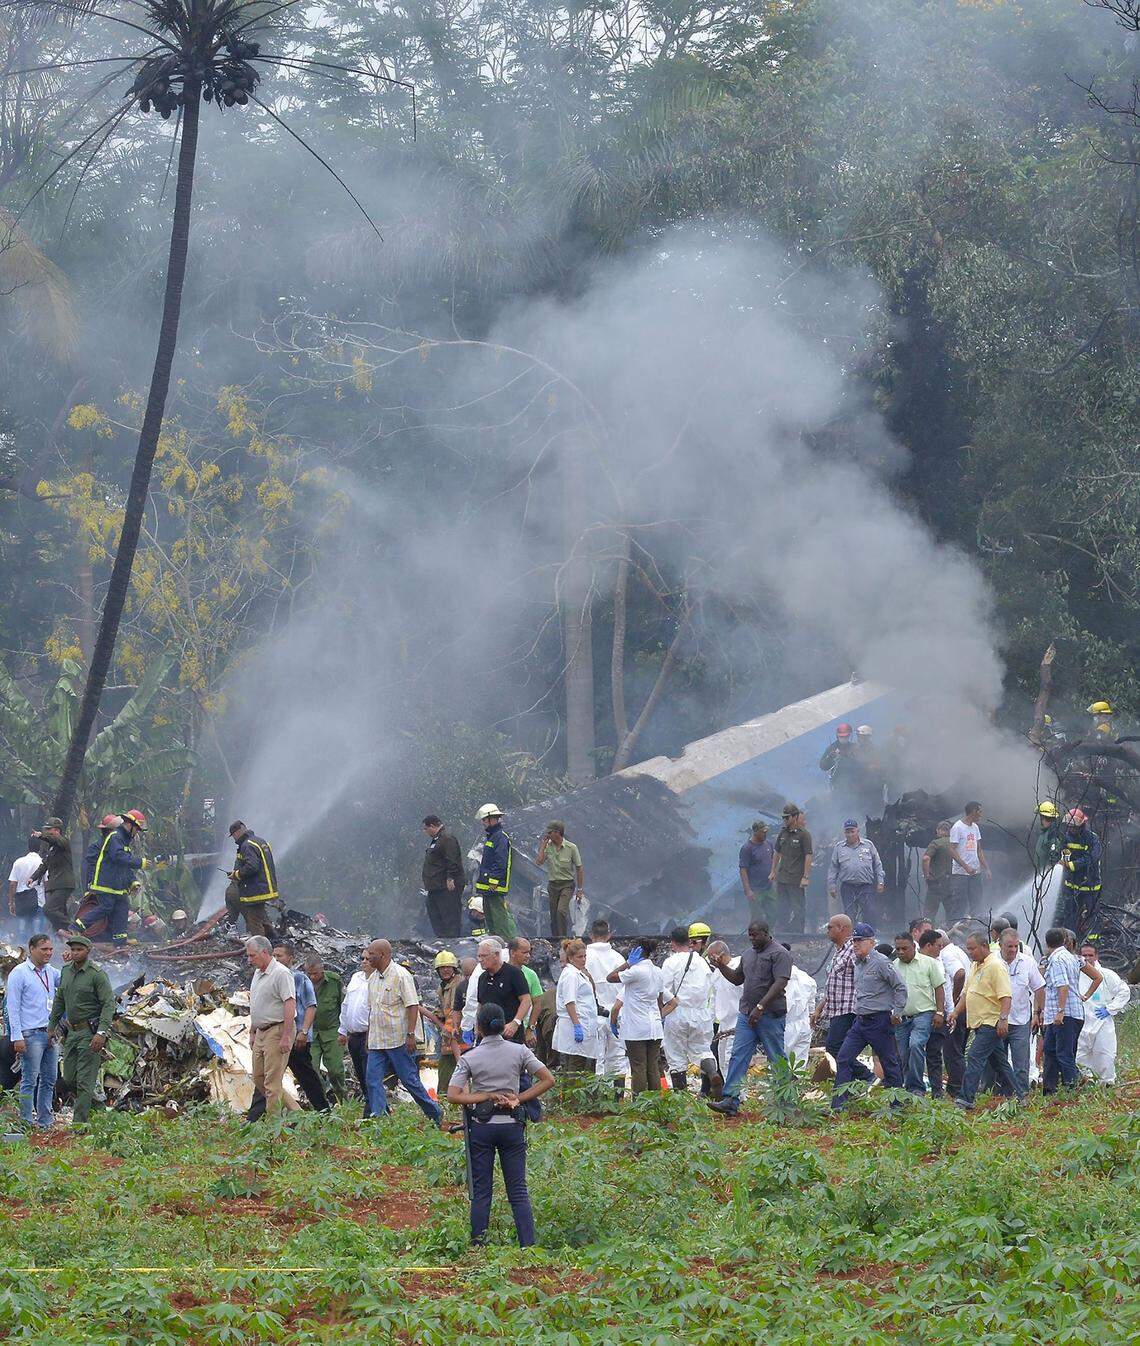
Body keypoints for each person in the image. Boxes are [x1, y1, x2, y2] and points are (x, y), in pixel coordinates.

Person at [447, 1001, 556, 1248]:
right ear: (502, 1025)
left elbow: (453, 1095)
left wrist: (484, 1096)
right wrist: (519, 1098)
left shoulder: (470, 1057)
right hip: (512, 1126)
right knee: (518, 1191)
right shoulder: (519, 1051)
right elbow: (548, 1079)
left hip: (482, 1128)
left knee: (482, 1192)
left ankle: (478, 1246)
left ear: (479, 1028)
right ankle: (528, 1247)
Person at [707, 921, 792, 1117]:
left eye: (756, 935)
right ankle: (730, 1100)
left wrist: (761, 1006)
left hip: (770, 1015)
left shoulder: (779, 954)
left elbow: (780, 982)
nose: (752, 939)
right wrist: (720, 966)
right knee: (738, 1055)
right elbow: (738, 979)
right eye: (750, 935)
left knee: (776, 1057)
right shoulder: (748, 954)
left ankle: (785, 1101)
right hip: (747, 1014)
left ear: (766, 933)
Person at [830, 922, 906, 1112]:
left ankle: (896, 1105)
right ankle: (839, 1105)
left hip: (879, 1020)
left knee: (889, 1063)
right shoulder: (857, 963)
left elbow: (900, 987)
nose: (855, 944)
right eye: (853, 940)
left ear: (871, 942)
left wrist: (897, 1012)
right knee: (844, 1058)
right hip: (860, 1020)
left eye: (859, 941)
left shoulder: (881, 962)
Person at [364, 938, 441, 1125]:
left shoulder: (401, 975)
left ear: (382, 954)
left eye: (371, 954)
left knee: (409, 1080)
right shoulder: (372, 978)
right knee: (372, 1080)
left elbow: (412, 1006)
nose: (367, 958)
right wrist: (368, 1036)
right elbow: (372, 1010)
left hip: (398, 1040)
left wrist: (410, 1035)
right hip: (377, 1041)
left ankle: (434, 1114)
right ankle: (379, 1120)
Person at [950, 931, 1025, 1109]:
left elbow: (1006, 996)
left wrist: (1003, 1019)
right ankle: (1020, 1095)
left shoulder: (996, 966)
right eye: (968, 949)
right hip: (978, 1022)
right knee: (1000, 1062)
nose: (970, 952)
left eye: (972, 949)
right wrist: (954, 1012)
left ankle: (965, 1099)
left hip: (990, 1022)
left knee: (974, 1057)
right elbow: (967, 993)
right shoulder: (976, 965)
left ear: (984, 946)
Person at [47, 934, 116, 1123]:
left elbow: (109, 1004)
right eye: (73, 949)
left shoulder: (97, 974)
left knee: (85, 1079)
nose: (75, 953)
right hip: (71, 1031)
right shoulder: (66, 971)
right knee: (69, 1078)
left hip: (90, 1032)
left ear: (88, 951)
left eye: (79, 949)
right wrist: (52, 1026)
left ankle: (79, 1125)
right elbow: (59, 1000)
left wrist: (101, 1033)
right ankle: (98, 1106)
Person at [259, 945, 329, 1114]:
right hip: (276, 1036)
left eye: (280, 955)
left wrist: (303, 1032)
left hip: (296, 1038)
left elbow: (311, 1007)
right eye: (274, 955)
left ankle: (324, 1112)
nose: (276, 959)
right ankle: (256, 1116)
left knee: (306, 1077)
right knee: (267, 1077)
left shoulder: (299, 978)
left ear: (290, 958)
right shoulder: (270, 978)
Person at [811, 914, 874, 1088]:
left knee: (834, 1048)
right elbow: (834, 984)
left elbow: (864, 976)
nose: (827, 930)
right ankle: (852, 1085)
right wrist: (819, 1009)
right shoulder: (839, 952)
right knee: (840, 1049)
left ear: (842, 928)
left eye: (830, 927)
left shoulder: (852, 951)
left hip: (848, 1010)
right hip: (836, 1009)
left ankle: (866, 1076)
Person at [7, 933, 60, 1129]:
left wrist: (71, 963)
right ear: (31, 949)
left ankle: (45, 1121)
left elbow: (67, 982)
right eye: (44, 949)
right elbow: (12, 1007)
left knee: (49, 1079)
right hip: (30, 1034)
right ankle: (26, 1122)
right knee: (29, 1079)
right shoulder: (19, 973)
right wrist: (17, 1037)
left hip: (50, 1034)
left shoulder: (51, 972)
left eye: (50, 949)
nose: (48, 953)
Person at [659, 926, 717, 1093]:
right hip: (702, 1014)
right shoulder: (702, 962)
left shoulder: (671, 962)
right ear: (690, 941)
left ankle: (681, 1098)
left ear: (672, 942)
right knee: (703, 1050)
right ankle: (712, 1073)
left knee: (676, 1056)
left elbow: (663, 989)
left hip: (677, 1013)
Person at [986, 928, 1044, 1098]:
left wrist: (1037, 1012)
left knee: (1021, 1061)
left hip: (1021, 1020)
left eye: (1015, 946)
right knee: (997, 1061)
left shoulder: (1027, 962)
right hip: (996, 1020)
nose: (1012, 950)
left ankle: (1021, 1095)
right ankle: (999, 1094)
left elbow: (1039, 987)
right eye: (1008, 946)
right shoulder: (991, 962)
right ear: (1000, 945)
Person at [1041, 926, 1100, 1095]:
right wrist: (1085, 996)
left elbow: (1063, 985)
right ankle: (1049, 1089)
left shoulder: (1058, 959)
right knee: (1050, 1050)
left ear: (1047, 943)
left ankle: (1072, 1089)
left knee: (1064, 1053)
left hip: (1064, 1014)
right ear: (1065, 941)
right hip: (1062, 1014)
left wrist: (1060, 1010)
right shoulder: (1071, 958)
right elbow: (1097, 977)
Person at [243, 936, 297, 1117]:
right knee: (258, 1077)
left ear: (264, 952)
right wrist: (252, 1031)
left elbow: (290, 1003)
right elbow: (257, 1003)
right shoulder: (258, 973)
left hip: (277, 1029)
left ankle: (273, 1130)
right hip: (261, 1032)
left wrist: (286, 1036)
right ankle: (298, 1114)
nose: (249, 960)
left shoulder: (281, 973)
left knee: (272, 1083)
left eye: (252, 956)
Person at [606, 939, 664, 1094]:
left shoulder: (636, 971)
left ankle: (638, 1104)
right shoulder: (657, 971)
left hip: (637, 1028)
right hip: (655, 1027)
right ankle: (657, 1104)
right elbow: (660, 1000)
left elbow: (610, 977)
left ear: (636, 952)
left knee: (638, 1067)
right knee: (652, 1067)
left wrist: (627, 963)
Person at [892, 931, 945, 1095]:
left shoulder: (928, 963)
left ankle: (917, 1088)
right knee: (903, 1053)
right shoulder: (894, 966)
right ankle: (909, 1089)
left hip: (923, 1015)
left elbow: (939, 988)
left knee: (915, 1045)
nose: (901, 952)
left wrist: (940, 1012)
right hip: (901, 1018)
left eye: (904, 948)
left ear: (913, 946)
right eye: (898, 949)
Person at [1075, 943, 1131, 1084]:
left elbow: (1124, 991)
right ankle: (1086, 1083)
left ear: (1097, 956)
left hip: (1101, 1023)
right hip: (1081, 1023)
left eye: (1090, 955)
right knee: (1080, 1056)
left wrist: (1110, 1008)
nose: (1087, 959)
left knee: (1105, 1054)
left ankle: (1106, 1083)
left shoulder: (1106, 975)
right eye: (1084, 956)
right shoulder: (1075, 974)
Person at [585, 919, 628, 1089]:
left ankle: (598, 1096)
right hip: (616, 1014)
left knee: (597, 1058)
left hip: (593, 1015)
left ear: (590, 935)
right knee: (617, 1058)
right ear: (609, 935)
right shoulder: (618, 958)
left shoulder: (584, 956)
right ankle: (616, 1098)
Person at [420, 951, 465, 1098]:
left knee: (455, 1069)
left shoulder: (457, 984)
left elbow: (455, 1010)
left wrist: (447, 1028)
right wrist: (437, 1014)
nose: (445, 970)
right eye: (442, 968)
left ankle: (451, 1098)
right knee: (449, 1069)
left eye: (448, 967)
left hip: (458, 1036)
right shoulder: (443, 987)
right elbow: (444, 1009)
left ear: (454, 969)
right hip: (449, 1036)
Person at [303, 955, 346, 1102]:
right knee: (312, 1069)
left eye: (316, 973)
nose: (313, 977)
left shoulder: (334, 982)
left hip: (332, 1031)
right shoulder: (302, 982)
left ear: (322, 970)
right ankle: (322, 1103)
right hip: (311, 1033)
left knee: (335, 1070)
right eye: (310, 973)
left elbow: (344, 1006)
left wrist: (344, 1031)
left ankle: (343, 1100)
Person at [553, 938, 599, 1073]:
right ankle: (573, 1095)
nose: (583, 959)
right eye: (580, 957)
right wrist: (576, 1024)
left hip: (584, 1023)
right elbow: (569, 1001)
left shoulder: (578, 973)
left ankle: (574, 1093)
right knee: (576, 1066)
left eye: (585, 956)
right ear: (571, 958)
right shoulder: (571, 975)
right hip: (575, 1025)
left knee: (580, 1064)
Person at [338, 947, 374, 1117]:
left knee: (370, 1075)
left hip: (369, 1037)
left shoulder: (378, 980)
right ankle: (377, 1108)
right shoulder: (356, 978)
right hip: (353, 1036)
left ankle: (371, 1111)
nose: (364, 961)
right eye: (362, 958)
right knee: (360, 1074)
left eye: (368, 959)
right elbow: (346, 1005)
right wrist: (342, 1031)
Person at [227, 821, 279, 940]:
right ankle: (274, 940)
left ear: (238, 832)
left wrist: (236, 874)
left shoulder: (247, 845)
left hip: (255, 890)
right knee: (261, 917)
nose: (234, 838)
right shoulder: (260, 841)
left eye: (234, 835)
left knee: (253, 922)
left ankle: (260, 950)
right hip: (265, 888)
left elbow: (252, 867)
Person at [474, 938, 532, 1041]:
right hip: (487, 1038)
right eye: (479, 956)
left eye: (484, 956)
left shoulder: (514, 973)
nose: (480, 960)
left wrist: (516, 1023)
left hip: (510, 1035)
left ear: (496, 955)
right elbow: (481, 1004)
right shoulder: (482, 978)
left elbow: (526, 1000)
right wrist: (477, 1027)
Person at [826, 821, 885, 922]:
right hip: (848, 886)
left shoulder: (868, 845)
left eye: (852, 831)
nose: (850, 834)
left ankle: (870, 935)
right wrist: (832, 886)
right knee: (849, 914)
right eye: (847, 832)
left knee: (870, 911)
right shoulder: (839, 847)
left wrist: (880, 882)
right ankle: (851, 936)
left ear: (858, 831)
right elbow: (833, 868)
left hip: (866, 886)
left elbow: (877, 864)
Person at [473, 805, 516, 939]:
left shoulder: (500, 838)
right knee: (490, 918)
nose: (483, 823)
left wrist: (494, 881)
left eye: (485, 820)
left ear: (493, 819)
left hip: (494, 886)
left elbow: (500, 862)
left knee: (499, 918)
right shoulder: (492, 837)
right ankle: (495, 942)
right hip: (488, 886)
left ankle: (505, 943)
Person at [536, 822, 585, 940]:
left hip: (566, 884)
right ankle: (555, 938)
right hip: (553, 885)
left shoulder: (571, 847)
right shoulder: (548, 847)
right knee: (553, 915)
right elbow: (539, 861)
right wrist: (542, 846)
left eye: (550, 832)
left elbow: (579, 868)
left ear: (557, 833)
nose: (547, 835)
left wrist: (580, 889)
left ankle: (563, 939)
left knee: (561, 911)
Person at [1057, 809, 1102, 935]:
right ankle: (1070, 940)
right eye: (1069, 826)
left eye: (1074, 827)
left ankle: (1092, 942)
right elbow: (1061, 854)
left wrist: (1072, 865)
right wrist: (1060, 861)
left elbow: (1092, 858)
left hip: (1091, 886)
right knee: (1069, 915)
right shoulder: (1065, 838)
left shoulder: (1092, 839)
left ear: (1082, 825)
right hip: (1071, 885)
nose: (1071, 829)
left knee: (1092, 915)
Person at [770, 804, 812, 934]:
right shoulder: (782, 833)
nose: (785, 820)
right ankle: (782, 934)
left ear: (794, 817)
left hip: (796, 879)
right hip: (782, 878)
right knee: (782, 908)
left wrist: (805, 876)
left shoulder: (804, 835)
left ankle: (798, 934)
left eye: (787, 817)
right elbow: (777, 852)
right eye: (784, 818)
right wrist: (773, 870)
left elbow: (808, 855)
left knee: (798, 909)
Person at [421, 815, 465, 939]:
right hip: (435, 886)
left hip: (446, 886)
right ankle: (441, 939)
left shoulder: (447, 838)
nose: (425, 832)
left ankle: (452, 941)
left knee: (450, 915)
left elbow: (453, 859)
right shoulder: (437, 839)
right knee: (434, 912)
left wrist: (450, 878)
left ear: (432, 826)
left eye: (426, 829)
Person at [30, 819, 74, 933]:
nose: (47, 832)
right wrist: (33, 877)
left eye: (49, 829)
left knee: (49, 909)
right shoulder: (52, 848)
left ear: (57, 830)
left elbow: (54, 839)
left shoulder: (63, 842)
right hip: (55, 885)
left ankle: (73, 929)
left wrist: (40, 836)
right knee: (60, 913)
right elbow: (45, 865)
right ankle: (65, 936)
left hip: (64, 884)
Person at [949, 802, 989, 909]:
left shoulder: (975, 827)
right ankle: (956, 924)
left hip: (975, 872)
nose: (981, 815)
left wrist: (986, 868)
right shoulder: (957, 827)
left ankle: (975, 924)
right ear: (973, 812)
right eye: (979, 812)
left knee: (976, 902)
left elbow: (978, 850)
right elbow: (951, 850)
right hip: (960, 874)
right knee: (960, 904)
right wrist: (966, 867)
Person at [783, 945, 817, 1064]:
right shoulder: (806, 978)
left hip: (786, 1026)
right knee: (798, 1064)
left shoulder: (778, 978)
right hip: (804, 1026)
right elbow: (811, 1006)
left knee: (780, 1064)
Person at [8, 840, 46, 943]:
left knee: (22, 931)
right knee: (38, 935)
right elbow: (47, 883)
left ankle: (21, 956)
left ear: (28, 847)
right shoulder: (43, 862)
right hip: (39, 902)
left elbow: (12, 884)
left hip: (22, 902)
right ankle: (37, 957)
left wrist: (11, 903)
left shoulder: (18, 862)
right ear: (40, 848)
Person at [738, 822, 775, 925]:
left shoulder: (768, 844)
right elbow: (743, 870)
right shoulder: (747, 848)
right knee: (757, 917)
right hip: (755, 889)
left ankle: (770, 936)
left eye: (766, 832)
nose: (765, 834)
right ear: (756, 832)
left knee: (773, 914)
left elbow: (772, 859)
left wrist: (773, 872)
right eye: (763, 832)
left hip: (769, 887)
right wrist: (748, 890)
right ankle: (755, 938)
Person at [921, 821, 954, 915]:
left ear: (938, 830)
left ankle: (929, 929)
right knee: (952, 913)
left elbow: (926, 859)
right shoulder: (956, 844)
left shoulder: (935, 843)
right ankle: (952, 929)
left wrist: (927, 876)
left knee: (929, 913)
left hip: (936, 883)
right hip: (951, 883)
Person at [1033, 801, 1064, 873]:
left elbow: (1055, 855)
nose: (1043, 821)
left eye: (1045, 818)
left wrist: (1047, 871)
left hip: (1045, 874)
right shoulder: (1044, 833)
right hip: (1039, 872)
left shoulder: (1052, 834)